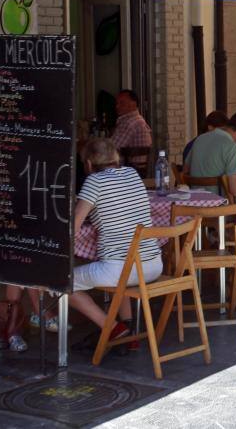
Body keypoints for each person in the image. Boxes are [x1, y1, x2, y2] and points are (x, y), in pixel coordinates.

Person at [69, 138, 162, 344]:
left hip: (122, 270)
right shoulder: (132, 174)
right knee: (123, 266)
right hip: (153, 264)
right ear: (115, 158)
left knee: (64, 281)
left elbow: (74, 226)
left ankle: (112, 327)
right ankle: (127, 328)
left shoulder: (94, 181)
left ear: (89, 164)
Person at [184, 110, 236, 214]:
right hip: (222, 207)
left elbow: (185, 170)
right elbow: (235, 190)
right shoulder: (232, 148)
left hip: (195, 205)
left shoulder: (200, 139)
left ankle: (232, 230)